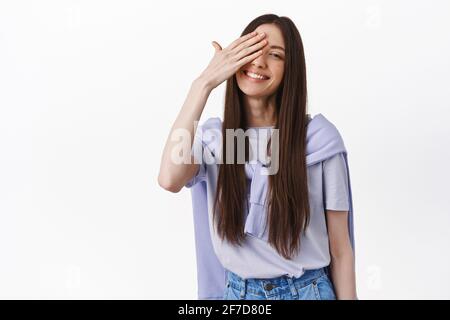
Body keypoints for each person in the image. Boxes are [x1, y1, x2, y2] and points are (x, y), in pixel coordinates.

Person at [158, 14, 357, 300]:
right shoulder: (216, 141)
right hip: (239, 295)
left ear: (291, 69)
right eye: (251, 50)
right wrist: (202, 84)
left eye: (275, 55)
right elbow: (169, 179)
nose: (259, 62)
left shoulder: (319, 140)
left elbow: (340, 249)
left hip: (308, 290)